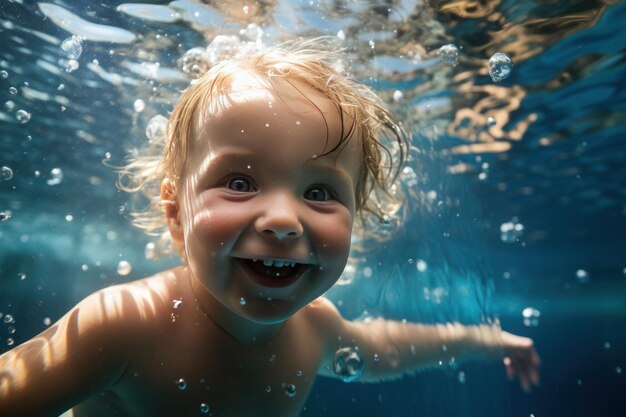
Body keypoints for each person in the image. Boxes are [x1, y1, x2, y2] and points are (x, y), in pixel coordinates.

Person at [0, 38, 540, 417]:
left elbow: (386, 348)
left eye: (320, 192)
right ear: (175, 214)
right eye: (238, 182)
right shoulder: (119, 326)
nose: (283, 219)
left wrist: (490, 341)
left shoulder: (315, 328)